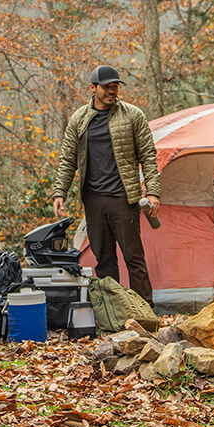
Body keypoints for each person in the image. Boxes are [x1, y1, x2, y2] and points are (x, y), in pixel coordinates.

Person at [51, 65, 161, 303]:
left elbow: (148, 156)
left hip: (124, 199)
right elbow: (68, 158)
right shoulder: (79, 119)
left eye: (115, 86)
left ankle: (145, 311)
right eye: (107, 87)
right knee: (105, 259)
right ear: (93, 88)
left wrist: (153, 191)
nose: (112, 91)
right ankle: (114, 311)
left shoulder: (133, 115)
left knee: (134, 258)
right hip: (93, 200)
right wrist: (60, 192)